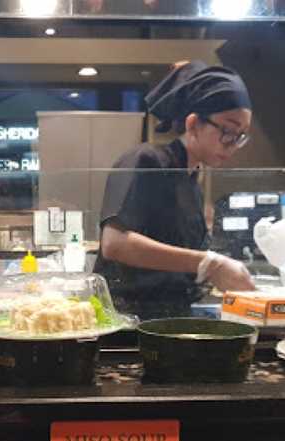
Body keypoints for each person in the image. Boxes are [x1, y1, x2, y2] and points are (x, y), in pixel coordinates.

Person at [94, 61, 256, 319]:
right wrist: (209, 264)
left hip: (169, 318)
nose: (233, 145)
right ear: (193, 124)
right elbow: (115, 244)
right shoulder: (145, 160)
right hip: (126, 322)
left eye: (241, 135)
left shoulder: (192, 180)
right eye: (228, 130)